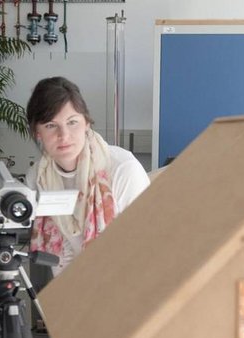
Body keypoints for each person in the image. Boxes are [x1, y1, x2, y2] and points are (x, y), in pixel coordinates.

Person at [24, 76, 150, 276]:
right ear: (37, 133)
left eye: (72, 122)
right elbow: (58, 255)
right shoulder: (37, 178)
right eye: (50, 125)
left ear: (86, 123)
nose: (63, 135)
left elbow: (146, 248)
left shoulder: (122, 170)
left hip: (127, 280)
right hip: (70, 286)